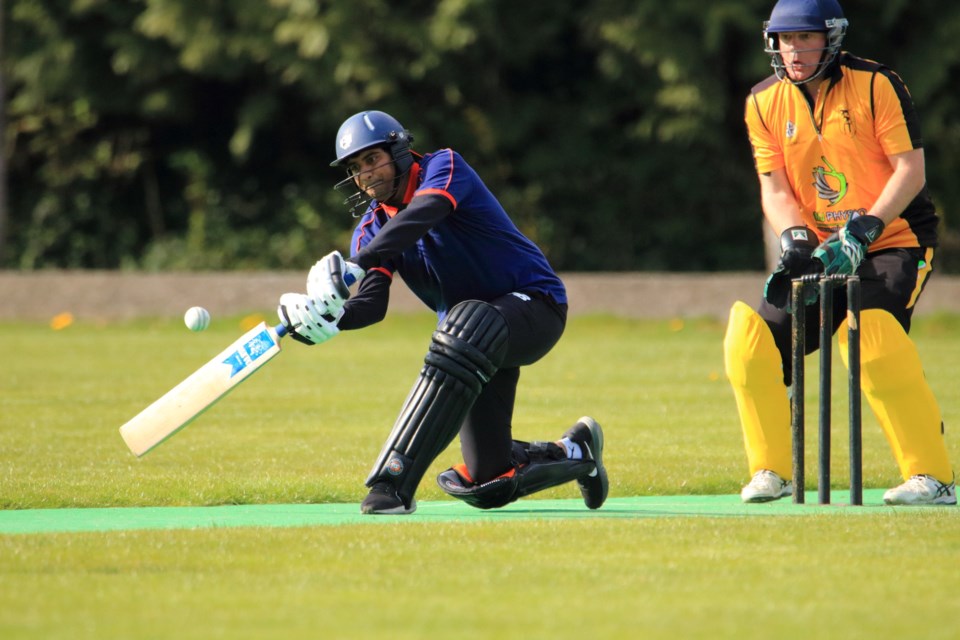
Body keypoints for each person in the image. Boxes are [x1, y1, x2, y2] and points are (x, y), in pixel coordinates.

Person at [277, 110, 608, 514]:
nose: (365, 174)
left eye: (372, 159)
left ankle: (392, 484)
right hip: (469, 345)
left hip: (535, 307)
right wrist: (328, 319)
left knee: (467, 321)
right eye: (356, 168)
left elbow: (425, 213)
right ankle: (577, 452)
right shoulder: (370, 229)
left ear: (399, 151)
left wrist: (358, 263)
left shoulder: (444, 166)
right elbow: (372, 304)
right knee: (488, 479)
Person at [724, 0, 955, 505]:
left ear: (831, 38)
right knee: (752, 340)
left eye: (805, 38)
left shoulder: (876, 85)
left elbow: (910, 170)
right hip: (822, 248)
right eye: (785, 40)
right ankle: (773, 470)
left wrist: (865, 229)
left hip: (895, 238)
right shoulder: (763, 102)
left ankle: (931, 477)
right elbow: (776, 188)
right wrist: (794, 238)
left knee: (869, 332)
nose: (795, 51)